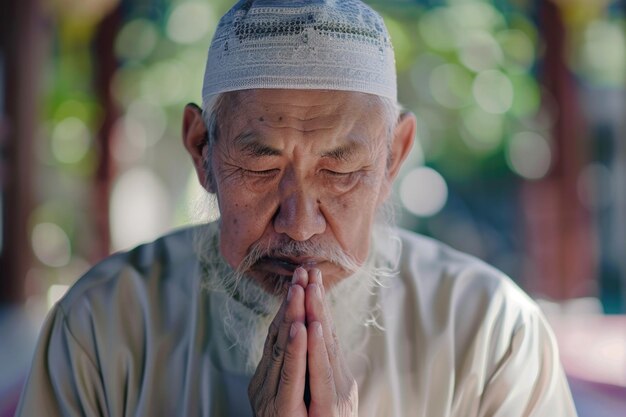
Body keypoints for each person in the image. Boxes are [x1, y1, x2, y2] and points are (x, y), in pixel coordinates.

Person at [16, 1, 578, 416]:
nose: (300, 222)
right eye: (261, 167)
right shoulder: (102, 326)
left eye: (340, 170)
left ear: (393, 159)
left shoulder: (491, 333)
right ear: (201, 151)